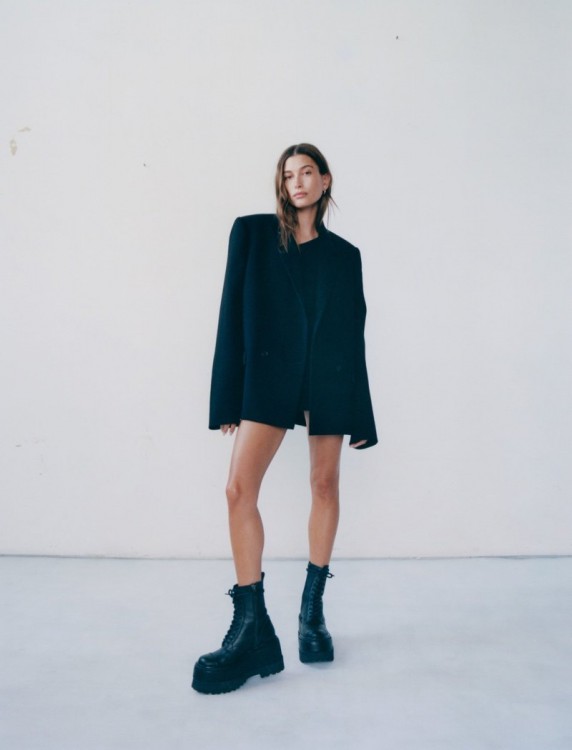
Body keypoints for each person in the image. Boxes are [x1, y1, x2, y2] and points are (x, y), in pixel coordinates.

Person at [192, 143, 377, 695]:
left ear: (325, 181)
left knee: (324, 484)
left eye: (307, 172)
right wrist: (227, 398)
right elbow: (230, 314)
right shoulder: (252, 234)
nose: (297, 182)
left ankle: (311, 613)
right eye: (288, 174)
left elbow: (353, 335)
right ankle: (253, 628)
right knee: (237, 490)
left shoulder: (345, 256)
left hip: (328, 376)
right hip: (270, 376)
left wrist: (362, 413)